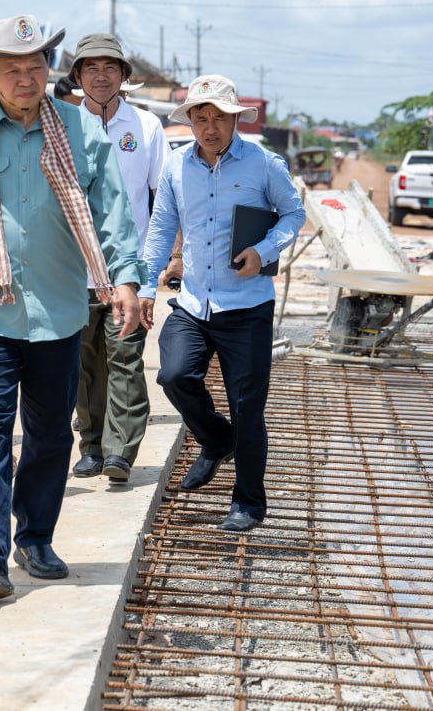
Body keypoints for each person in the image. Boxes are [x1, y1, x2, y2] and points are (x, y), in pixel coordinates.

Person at [0, 13, 145, 600]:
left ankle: (36, 536)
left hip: (58, 308)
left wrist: (126, 279)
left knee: (49, 434)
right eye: (13, 70)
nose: (27, 78)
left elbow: (114, 213)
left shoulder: (81, 132)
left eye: (35, 66)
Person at [140, 75, 304, 533]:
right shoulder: (175, 167)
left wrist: (264, 251)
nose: (210, 127)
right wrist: (146, 287)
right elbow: (159, 228)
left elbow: (294, 213)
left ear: (235, 119)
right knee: (173, 375)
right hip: (194, 302)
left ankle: (248, 503)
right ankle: (215, 441)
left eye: (219, 118)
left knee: (247, 406)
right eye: (201, 117)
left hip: (247, 306)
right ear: (190, 120)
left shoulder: (264, 164)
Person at [68, 33, 167, 485]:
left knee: (125, 359)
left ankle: (119, 452)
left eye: (110, 67)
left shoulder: (146, 127)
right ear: (77, 76)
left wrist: (153, 279)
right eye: (91, 68)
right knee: (84, 364)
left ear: (125, 76)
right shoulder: (62, 125)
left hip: (129, 270)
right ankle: (90, 445)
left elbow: (164, 202)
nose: (101, 75)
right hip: (72, 270)